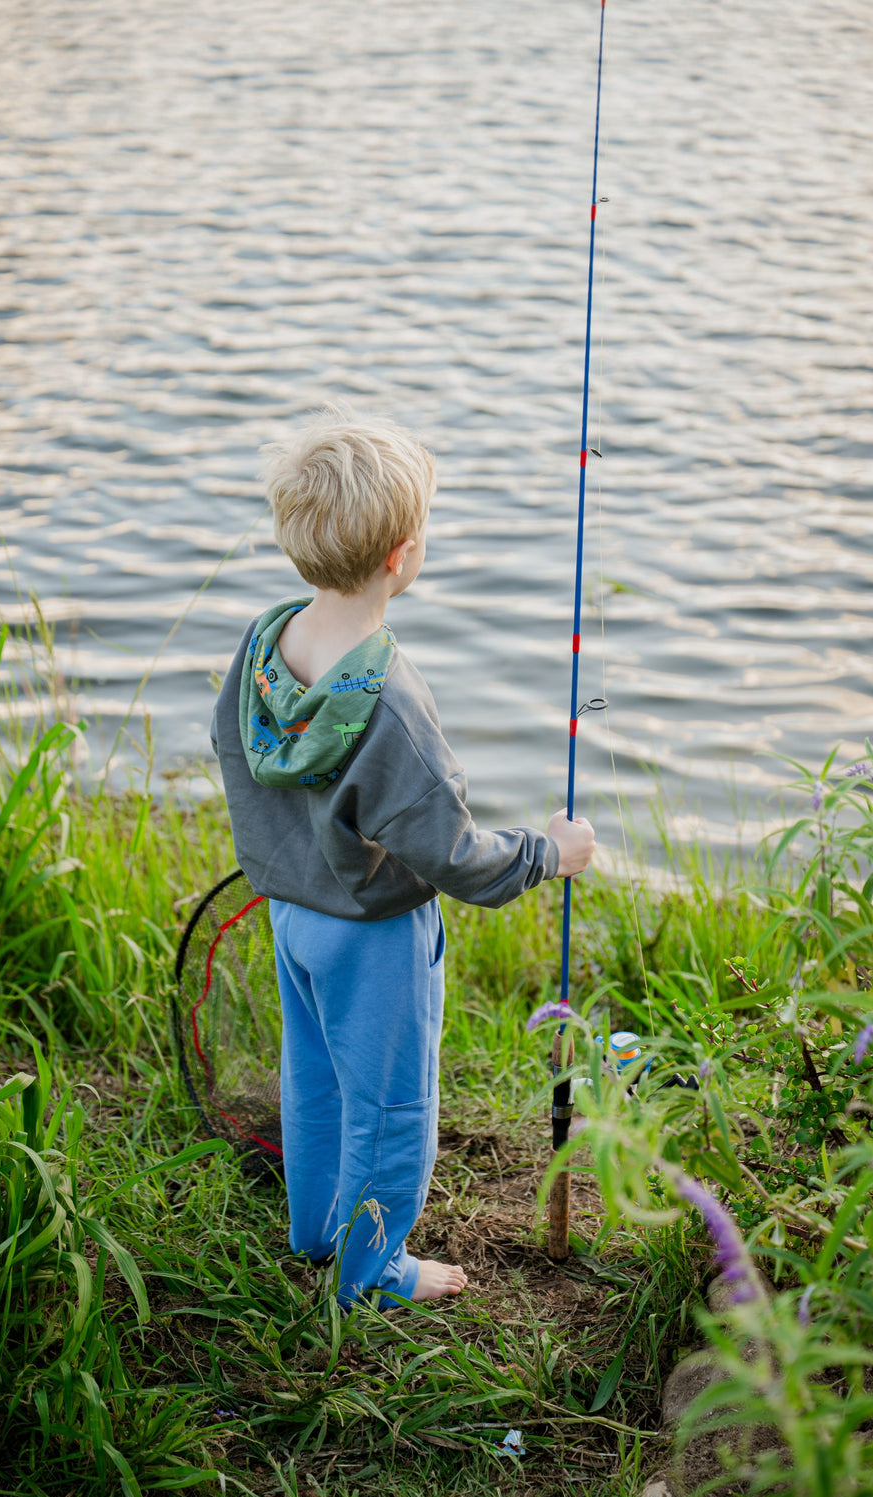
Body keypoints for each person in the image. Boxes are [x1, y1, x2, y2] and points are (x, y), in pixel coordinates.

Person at [210, 409, 595, 1310]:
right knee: (389, 1111)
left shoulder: (263, 646)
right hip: (373, 938)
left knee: (313, 1079)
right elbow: (455, 855)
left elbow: (232, 752)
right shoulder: (391, 703)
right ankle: (370, 1273)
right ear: (403, 556)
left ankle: (317, 1229)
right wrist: (550, 852)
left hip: (292, 916)